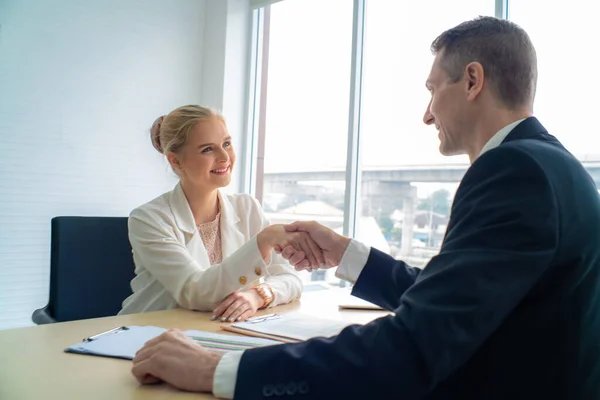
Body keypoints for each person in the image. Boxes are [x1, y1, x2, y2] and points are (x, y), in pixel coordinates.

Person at [130, 17, 600, 399]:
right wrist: (344, 252)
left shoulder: (512, 171)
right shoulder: (546, 164)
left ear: (473, 80)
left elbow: (413, 344)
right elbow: (450, 299)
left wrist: (218, 370)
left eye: (433, 88)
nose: (427, 112)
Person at [120, 105, 324, 322]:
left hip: (216, 332)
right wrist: (264, 241)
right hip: (150, 333)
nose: (225, 156)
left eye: (226, 143)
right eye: (208, 149)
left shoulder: (247, 207)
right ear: (176, 160)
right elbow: (196, 293)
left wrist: (258, 296)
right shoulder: (149, 219)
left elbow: (290, 278)